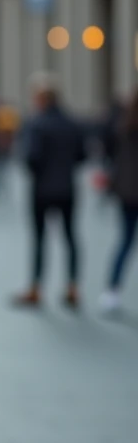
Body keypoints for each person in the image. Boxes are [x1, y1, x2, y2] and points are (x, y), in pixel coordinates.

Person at [15, 74, 86, 309]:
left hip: (42, 189)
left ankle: (36, 287)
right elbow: (82, 155)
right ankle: (72, 287)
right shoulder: (71, 122)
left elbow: (31, 158)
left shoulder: (37, 123)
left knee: (39, 238)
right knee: (70, 237)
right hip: (67, 187)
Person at [102, 88, 138, 315]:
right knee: (125, 241)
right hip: (129, 189)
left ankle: (111, 290)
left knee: (125, 241)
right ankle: (111, 291)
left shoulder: (122, 125)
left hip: (127, 191)